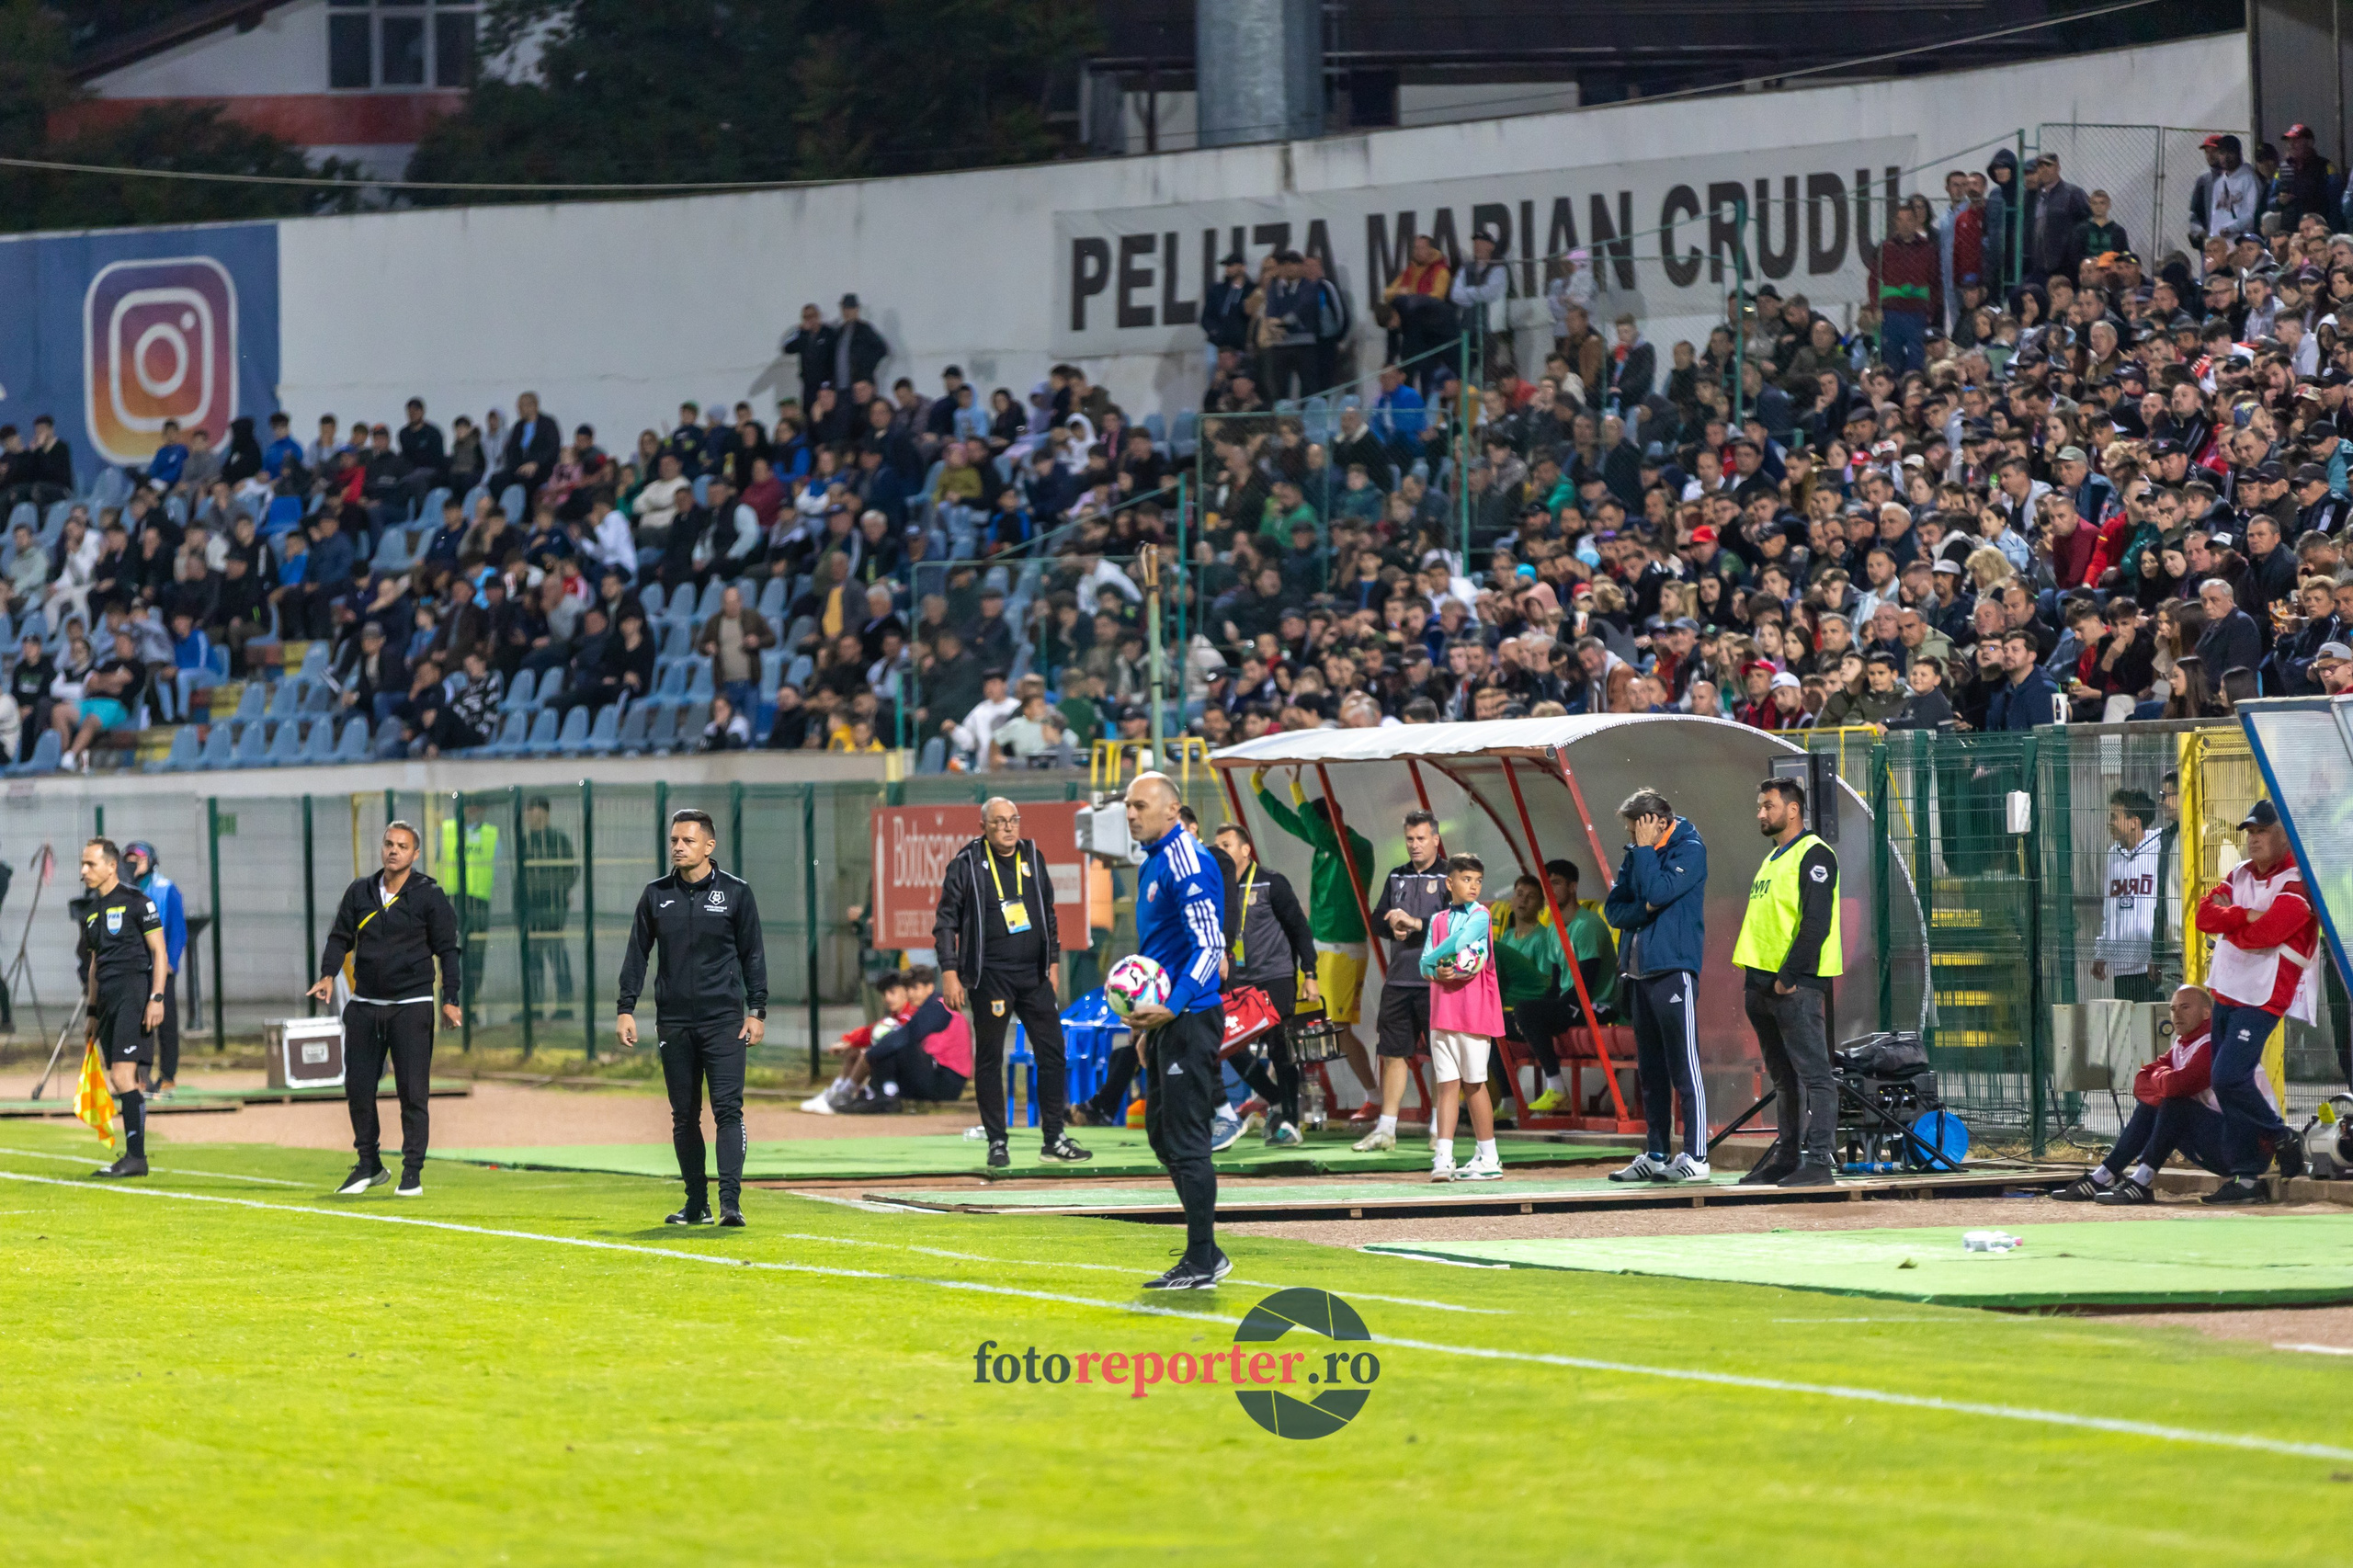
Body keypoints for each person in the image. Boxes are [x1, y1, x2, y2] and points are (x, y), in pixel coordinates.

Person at [615, 810, 769, 1228]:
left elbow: (752, 954)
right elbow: (637, 955)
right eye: (673, 840)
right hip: (674, 1023)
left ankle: (731, 1203)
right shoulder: (655, 894)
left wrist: (757, 1010)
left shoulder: (736, 893)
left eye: (686, 840)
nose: (678, 847)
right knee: (683, 1115)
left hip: (724, 1021)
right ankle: (696, 1203)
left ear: (709, 846)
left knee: (727, 1111)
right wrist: (625, 1008)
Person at [1118, 771, 1233, 1290]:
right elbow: (1162, 948)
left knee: (1186, 1142)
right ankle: (1207, 1251)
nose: (1130, 813)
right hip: (1166, 1021)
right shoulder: (1155, 863)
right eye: (1127, 805)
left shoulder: (1187, 860)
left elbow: (1212, 947)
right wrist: (1149, 1025)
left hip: (1190, 1016)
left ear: (1171, 810)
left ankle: (1202, 1258)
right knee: (1162, 1134)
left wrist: (1175, 1006)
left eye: (1140, 804)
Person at [930, 798, 1091, 1169]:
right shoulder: (966, 863)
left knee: (1053, 1053)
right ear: (984, 825)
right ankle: (997, 1141)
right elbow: (945, 923)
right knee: (989, 1058)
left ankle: (1054, 1137)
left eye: (1014, 820)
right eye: (1000, 821)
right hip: (991, 977)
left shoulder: (1033, 858)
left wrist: (1052, 962)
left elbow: (1048, 913)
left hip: (1033, 976)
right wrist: (950, 970)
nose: (1008, 827)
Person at [308, 822, 463, 1199]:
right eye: (389, 844)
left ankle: (412, 1172)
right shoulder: (360, 891)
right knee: (358, 1088)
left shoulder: (429, 896)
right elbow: (339, 937)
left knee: (412, 1092)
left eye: (402, 846)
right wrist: (328, 975)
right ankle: (369, 1164)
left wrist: (451, 999)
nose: (394, 851)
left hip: (410, 1007)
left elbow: (448, 950)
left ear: (415, 854)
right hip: (365, 1006)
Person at [2190, 799, 2316, 1204]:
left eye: (2262, 831)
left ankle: (2281, 1135)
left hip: (2265, 994)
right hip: (2228, 987)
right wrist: (2246, 918)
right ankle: (2247, 1179)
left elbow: (2271, 932)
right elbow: (2204, 917)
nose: (2254, 839)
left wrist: (2233, 923)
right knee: (2225, 1083)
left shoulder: (2298, 880)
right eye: (2250, 832)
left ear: (2284, 834)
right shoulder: (2240, 873)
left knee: (2229, 1076)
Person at [1250, 766, 1381, 1121]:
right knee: (1282, 1017)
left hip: (1345, 950)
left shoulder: (1355, 846)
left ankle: (1374, 1096)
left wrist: (1296, 787)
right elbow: (1291, 822)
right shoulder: (1322, 843)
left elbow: (1314, 829)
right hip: (1319, 946)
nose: (1314, 834)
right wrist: (1258, 786)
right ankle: (1270, 1095)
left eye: (1320, 826)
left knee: (1340, 1029)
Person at [1730, 778, 1841, 1188]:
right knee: (1783, 1079)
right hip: (1761, 985)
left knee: (1815, 1075)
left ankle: (1819, 1162)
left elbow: (1815, 924)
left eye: (1768, 806)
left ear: (1793, 810)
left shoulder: (1815, 855)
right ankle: (1787, 1158)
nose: (1761, 813)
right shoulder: (1774, 857)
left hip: (1793, 986)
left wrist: (1789, 978)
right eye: (1760, 806)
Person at [1603, 787, 1711, 1182]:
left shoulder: (1690, 849)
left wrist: (1645, 855)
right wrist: (1644, 908)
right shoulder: (1636, 852)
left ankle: (1697, 1156)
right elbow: (1615, 909)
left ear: (1657, 823)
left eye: (1636, 830)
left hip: (1672, 970)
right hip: (1638, 972)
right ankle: (1658, 1153)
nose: (1631, 838)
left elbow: (1658, 891)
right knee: (1649, 1070)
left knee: (1685, 1066)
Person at [2050, 985, 2234, 1205]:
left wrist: (2162, 1083)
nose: (2177, 1015)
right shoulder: (2182, 1044)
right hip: (2214, 1138)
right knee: (2157, 1104)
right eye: (2173, 1009)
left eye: (2185, 1007)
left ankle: (2142, 1181)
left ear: (2206, 1013)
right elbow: (2141, 1080)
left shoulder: (2212, 1045)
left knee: (2174, 1104)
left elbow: (2177, 1086)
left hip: (2239, 1149)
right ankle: (2106, 1175)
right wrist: (2163, 1085)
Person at [1211, 819, 1320, 1146]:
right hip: (1237, 982)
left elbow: (1300, 929)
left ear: (1246, 850)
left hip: (1275, 980)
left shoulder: (1272, 883)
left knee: (1281, 1049)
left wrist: (1310, 973)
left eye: (1226, 846)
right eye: (1217, 847)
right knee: (1226, 1044)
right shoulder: (1217, 888)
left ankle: (1291, 1121)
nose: (1221, 852)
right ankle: (1273, 1098)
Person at [1350, 807, 1450, 1153]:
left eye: (1421, 838)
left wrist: (1418, 923)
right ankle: (1386, 1128)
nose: (1414, 845)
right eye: (1409, 839)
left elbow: (1457, 923)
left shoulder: (1451, 877)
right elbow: (1376, 920)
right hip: (1399, 980)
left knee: (1441, 1058)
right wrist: (1391, 924)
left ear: (1436, 839)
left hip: (1436, 981)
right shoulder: (1396, 877)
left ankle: (1441, 1129)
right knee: (1392, 1054)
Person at [78, 838, 170, 1180]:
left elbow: (159, 953)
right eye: (83, 864)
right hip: (106, 1002)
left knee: (123, 1076)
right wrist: (90, 1012)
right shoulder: (90, 912)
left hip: (134, 994)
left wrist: (156, 997)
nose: (83, 871)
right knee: (120, 1079)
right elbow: (93, 966)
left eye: (90, 864)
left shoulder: (138, 902)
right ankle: (133, 1157)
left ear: (112, 866)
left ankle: (136, 1157)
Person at [1420, 853, 1505, 1182]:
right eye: (1466, 879)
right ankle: (1443, 1157)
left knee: (1474, 1084)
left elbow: (1467, 949)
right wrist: (1435, 968)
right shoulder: (1438, 919)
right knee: (1446, 1087)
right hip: (1442, 1014)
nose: (1473, 886)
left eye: (1478, 881)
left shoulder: (1481, 915)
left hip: (1473, 1014)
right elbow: (1426, 969)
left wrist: (1437, 961)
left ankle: (1490, 1157)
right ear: (1450, 882)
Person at [120, 841, 187, 1099]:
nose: (134, 862)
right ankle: (141, 1077)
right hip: (136, 969)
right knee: (139, 1024)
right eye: (129, 858)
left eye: (140, 857)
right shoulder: (124, 890)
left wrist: (170, 961)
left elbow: (178, 930)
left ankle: (168, 1076)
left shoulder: (165, 888)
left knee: (166, 1022)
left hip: (162, 968)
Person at [2093, 789, 2163, 1003]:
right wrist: (2102, 951)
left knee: (2153, 1030)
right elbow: (2110, 909)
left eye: (2115, 817)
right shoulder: (2113, 854)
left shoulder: (2161, 848)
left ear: (2134, 821)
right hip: (2122, 965)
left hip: (2151, 965)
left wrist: (2159, 953)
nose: (2109, 822)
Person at [520, 797, 578, 1018]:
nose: (530, 816)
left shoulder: (558, 840)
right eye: (528, 812)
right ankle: (535, 1009)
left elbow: (571, 871)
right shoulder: (525, 842)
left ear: (544, 814)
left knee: (556, 956)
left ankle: (565, 1007)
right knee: (533, 961)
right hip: (531, 910)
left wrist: (557, 893)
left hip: (553, 909)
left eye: (533, 811)